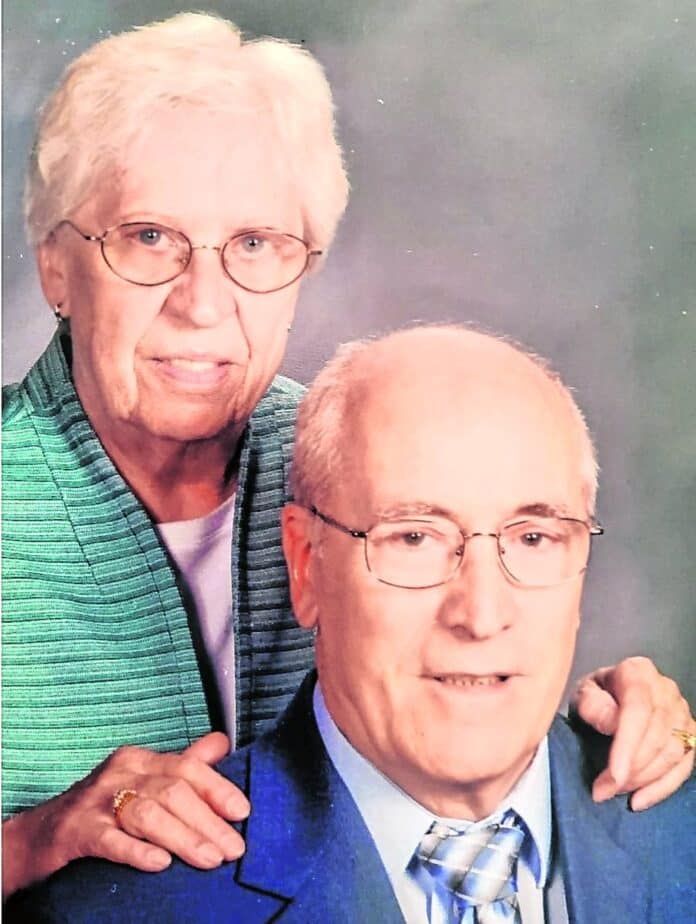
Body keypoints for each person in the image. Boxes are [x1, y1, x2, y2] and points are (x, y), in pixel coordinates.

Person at [2, 12, 692, 901]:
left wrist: (618, 730)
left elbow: (472, 671)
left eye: (255, 244)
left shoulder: (364, 459)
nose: (203, 302)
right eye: (148, 237)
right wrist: (26, 843)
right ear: (56, 266)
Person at [7, 325, 693, 923]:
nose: (482, 616)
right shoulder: (115, 909)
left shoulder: (678, 822)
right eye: (413, 538)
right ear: (305, 565)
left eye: (534, 538)